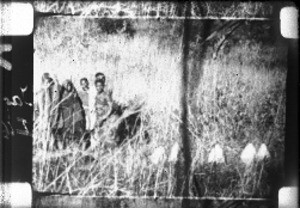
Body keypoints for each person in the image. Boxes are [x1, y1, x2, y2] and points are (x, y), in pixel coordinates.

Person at [58, 79, 86, 144]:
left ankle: (78, 143)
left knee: (78, 129)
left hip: (76, 115)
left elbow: (77, 104)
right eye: (67, 86)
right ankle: (67, 143)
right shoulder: (63, 94)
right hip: (67, 115)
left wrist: (74, 97)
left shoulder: (74, 93)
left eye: (70, 85)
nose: (69, 87)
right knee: (67, 129)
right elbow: (63, 104)